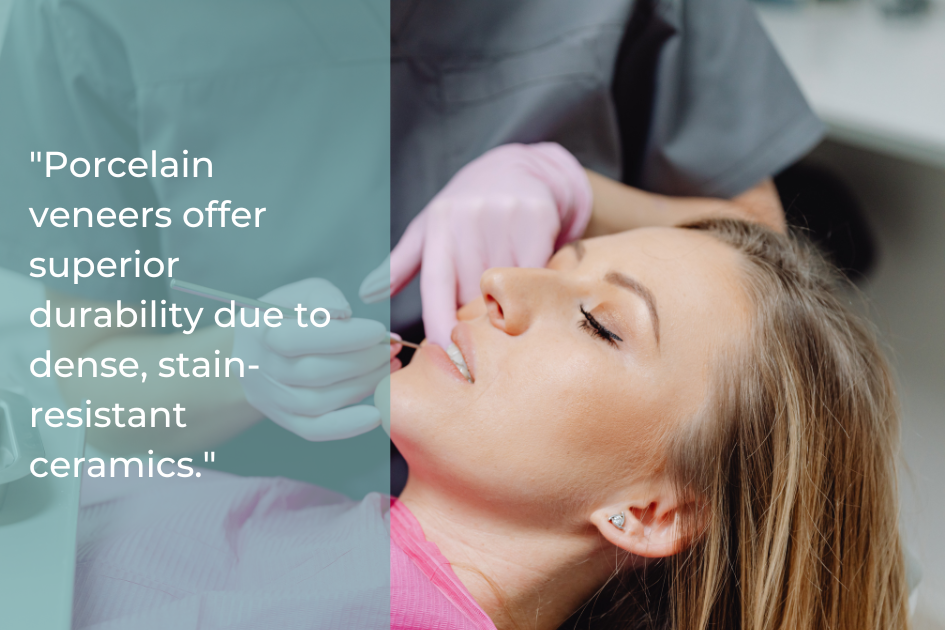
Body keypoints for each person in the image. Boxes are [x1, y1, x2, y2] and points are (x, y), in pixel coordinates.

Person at [0, 0, 823, 448]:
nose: (493, 296)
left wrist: (578, 193)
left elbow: (769, 289)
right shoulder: (83, 19)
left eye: (597, 322)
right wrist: (235, 367)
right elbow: (78, 379)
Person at [72, 220, 908, 629]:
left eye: (599, 323)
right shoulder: (336, 540)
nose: (503, 280)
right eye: (551, 264)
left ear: (648, 510)